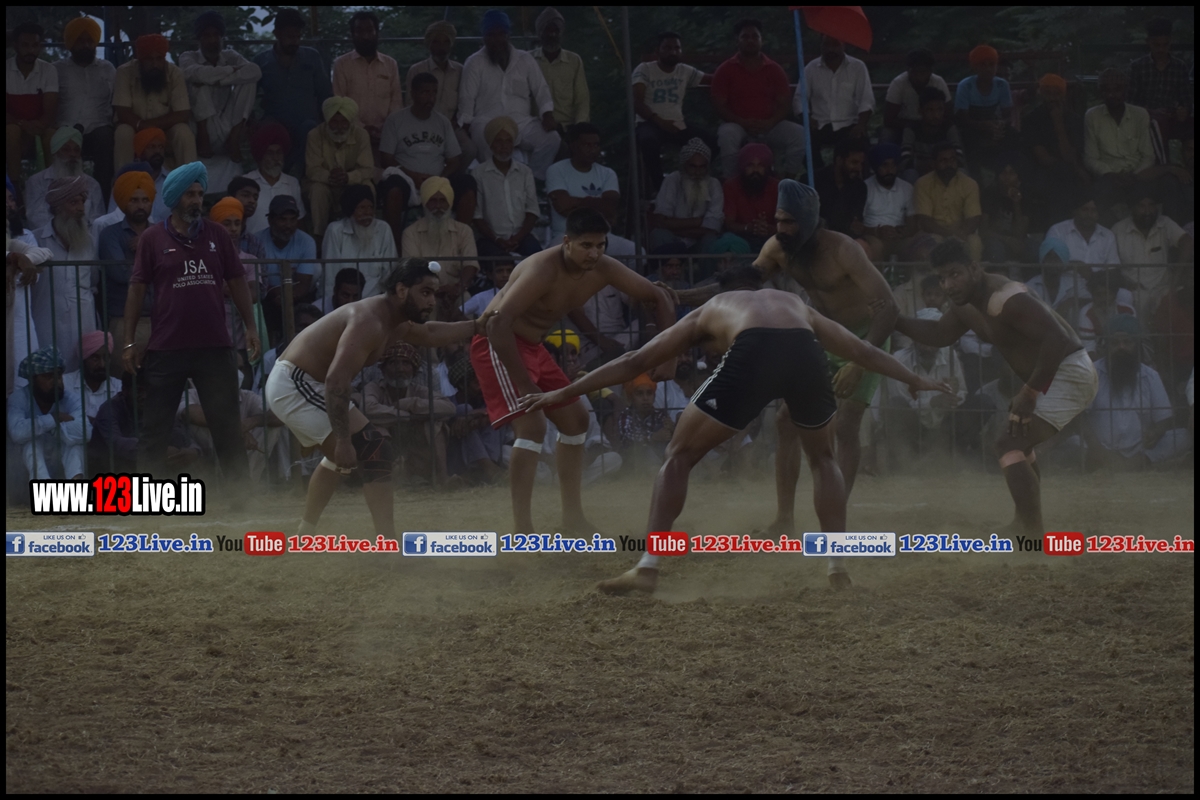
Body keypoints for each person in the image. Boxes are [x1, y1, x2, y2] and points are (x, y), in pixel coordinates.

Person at [522, 266, 946, 594]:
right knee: (823, 458)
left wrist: (564, 391)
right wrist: (915, 378)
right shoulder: (794, 303)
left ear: (724, 292)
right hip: (805, 352)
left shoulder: (713, 308)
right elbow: (861, 349)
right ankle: (838, 569)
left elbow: (635, 361)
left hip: (752, 350)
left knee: (679, 456)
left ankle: (648, 566)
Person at [673, 181, 900, 560]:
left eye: (790, 222)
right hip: (821, 333)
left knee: (846, 425)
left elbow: (888, 307)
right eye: (778, 220)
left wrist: (859, 363)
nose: (781, 228)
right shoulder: (777, 248)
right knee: (785, 422)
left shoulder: (844, 250)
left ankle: (835, 526)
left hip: (864, 337)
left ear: (809, 222)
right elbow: (739, 285)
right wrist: (678, 295)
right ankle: (784, 519)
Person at [469, 207, 676, 534]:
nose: (594, 253)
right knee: (532, 426)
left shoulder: (605, 267)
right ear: (567, 242)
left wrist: (669, 358)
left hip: (534, 347)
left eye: (600, 245)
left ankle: (572, 519)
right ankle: (522, 529)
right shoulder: (542, 269)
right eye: (586, 245)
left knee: (577, 421)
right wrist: (525, 385)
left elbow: (658, 296)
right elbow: (497, 324)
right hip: (499, 345)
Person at [265, 258, 492, 537]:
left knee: (349, 455)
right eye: (425, 292)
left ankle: (306, 532)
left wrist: (476, 326)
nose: (431, 301)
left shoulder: (394, 321)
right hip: (295, 383)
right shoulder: (369, 321)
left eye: (433, 293)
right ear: (401, 290)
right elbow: (336, 381)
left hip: (310, 383)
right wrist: (344, 440)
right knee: (372, 448)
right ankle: (387, 542)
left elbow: (430, 332)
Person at [894, 237, 1098, 535]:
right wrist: (895, 320)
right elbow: (939, 333)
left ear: (974, 268)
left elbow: (1058, 339)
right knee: (1017, 443)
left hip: (1068, 371)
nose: (948, 285)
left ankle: (1030, 530)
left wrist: (1029, 392)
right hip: (1050, 374)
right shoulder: (965, 304)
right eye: (942, 278)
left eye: (954, 274)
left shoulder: (1005, 298)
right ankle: (1027, 523)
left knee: (1008, 443)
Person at [120, 162, 260, 492]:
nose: (196, 200)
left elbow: (237, 280)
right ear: (174, 198)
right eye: (189, 194)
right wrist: (128, 340)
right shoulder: (153, 238)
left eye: (199, 193)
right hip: (167, 347)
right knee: (155, 428)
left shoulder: (217, 235)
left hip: (214, 346)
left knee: (226, 425)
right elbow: (137, 289)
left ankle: (241, 498)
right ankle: (146, 497)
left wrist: (251, 326)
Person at [458, 10, 559, 181]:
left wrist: (547, 114)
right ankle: (494, 182)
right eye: (491, 35)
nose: (496, 40)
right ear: (484, 38)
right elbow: (466, 98)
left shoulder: (525, 59)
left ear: (508, 36)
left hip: (521, 122)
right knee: (482, 139)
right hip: (486, 121)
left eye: (501, 34)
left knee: (551, 139)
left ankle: (532, 181)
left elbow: (541, 89)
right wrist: (465, 125)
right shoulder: (474, 62)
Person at [1084, 68, 1189, 224]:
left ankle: (1172, 232)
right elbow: (1091, 158)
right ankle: (1114, 234)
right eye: (1107, 90)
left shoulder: (1140, 114)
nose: (1112, 95)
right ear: (1101, 92)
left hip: (1139, 176)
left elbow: (1148, 156)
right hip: (1110, 178)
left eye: (1117, 90)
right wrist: (1111, 174)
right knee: (1094, 196)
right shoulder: (1092, 116)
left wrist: (1135, 175)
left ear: (1125, 91)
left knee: (1170, 184)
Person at [1085, 314, 1188, 467]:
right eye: (1115, 343)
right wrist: (1097, 448)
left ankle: (1136, 463)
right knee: (1074, 442)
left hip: (1140, 449)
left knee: (1183, 436)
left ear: (1137, 345)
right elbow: (1080, 418)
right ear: (1107, 346)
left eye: (1127, 342)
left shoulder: (1150, 376)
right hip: (1100, 447)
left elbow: (1164, 419)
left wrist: (1156, 433)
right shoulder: (1092, 373)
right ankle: (1128, 466)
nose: (1121, 347)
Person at [379, 71, 476, 228]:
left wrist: (440, 179)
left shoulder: (443, 122)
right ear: (413, 94)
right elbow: (386, 158)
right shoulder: (395, 120)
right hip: (406, 180)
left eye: (434, 93)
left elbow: (454, 160)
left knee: (467, 183)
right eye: (425, 92)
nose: (431, 98)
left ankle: (461, 237)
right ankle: (394, 241)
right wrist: (412, 176)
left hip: (439, 179)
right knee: (392, 187)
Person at [712, 19, 805, 180]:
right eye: (745, 37)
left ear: (762, 40)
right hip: (737, 124)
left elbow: (784, 104)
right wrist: (741, 121)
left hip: (770, 125)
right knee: (727, 135)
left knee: (799, 134)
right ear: (737, 41)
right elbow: (719, 105)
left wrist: (770, 122)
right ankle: (731, 184)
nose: (750, 40)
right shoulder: (725, 69)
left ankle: (787, 181)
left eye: (755, 36)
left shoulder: (774, 69)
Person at [179, 11, 261, 190]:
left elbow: (255, 71)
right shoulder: (188, 56)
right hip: (199, 128)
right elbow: (194, 73)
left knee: (249, 82)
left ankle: (234, 139)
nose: (212, 40)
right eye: (207, 35)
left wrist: (217, 79)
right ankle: (204, 138)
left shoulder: (230, 55)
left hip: (228, 124)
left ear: (222, 37)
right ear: (199, 38)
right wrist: (231, 71)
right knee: (198, 83)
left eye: (216, 35)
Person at [252, 8, 332, 171]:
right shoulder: (261, 61)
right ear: (277, 34)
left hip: (307, 124)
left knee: (310, 130)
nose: (294, 41)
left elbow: (325, 94)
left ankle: (301, 175)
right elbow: (248, 97)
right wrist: (253, 122)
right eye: (289, 36)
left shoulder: (312, 57)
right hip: (276, 123)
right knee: (271, 133)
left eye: (297, 36)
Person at [33, 175, 98, 372]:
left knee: (83, 376)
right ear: (57, 207)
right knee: (50, 377)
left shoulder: (89, 241)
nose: (80, 209)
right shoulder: (36, 240)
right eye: (73, 202)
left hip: (84, 322)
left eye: (82, 202)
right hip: (46, 323)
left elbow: (94, 280)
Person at [882, 307, 967, 459]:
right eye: (924, 335)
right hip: (914, 424)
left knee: (978, 404)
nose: (928, 342)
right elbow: (901, 401)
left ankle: (956, 457)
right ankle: (906, 459)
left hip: (944, 422)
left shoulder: (950, 355)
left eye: (934, 336)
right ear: (914, 337)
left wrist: (953, 397)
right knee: (896, 406)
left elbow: (962, 391)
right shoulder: (899, 360)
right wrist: (933, 402)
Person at [633, 31, 710, 190]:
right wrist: (660, 122)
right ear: (657, 51)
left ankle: (692, 182)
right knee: (648, 142)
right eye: (667, 48)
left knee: (712, 142)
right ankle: (659, 188)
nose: (673, 52)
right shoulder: (645, 69)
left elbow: (713, 79)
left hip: (677, 123)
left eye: (677, 48)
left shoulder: (685, 70)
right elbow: (637, 102)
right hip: (649, 122)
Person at [89, 369, 200, 475]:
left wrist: (194, 450)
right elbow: (117, 443)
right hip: (109, 473)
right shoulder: (109, 409)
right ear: (124, 390)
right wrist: (157, 451)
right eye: (139, 391)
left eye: (148, 390)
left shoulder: (156, 406)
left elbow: (178, 432)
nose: (144, 396)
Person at [54, 17, 116, 202]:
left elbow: (116, 102)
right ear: (71, 43)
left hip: (98, 130)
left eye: (90, 41)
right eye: (80, 41)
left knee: (106, 137)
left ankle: (102, 200)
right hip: (65, 129)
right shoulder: (57, 69)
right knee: (59, 139)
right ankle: (60, 199)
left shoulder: (107, 69)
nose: (86, 45)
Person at [113, 34, 197, 170]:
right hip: (135, 128)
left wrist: (150, 126)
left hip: (165, 130)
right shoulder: (124, 72)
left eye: (159, 59)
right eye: (149, 59)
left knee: (183, 132)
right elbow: (122, 111)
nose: (155, 64)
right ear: (139, 59)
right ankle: (124, 179)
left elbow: (182, 113)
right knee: (123, 132)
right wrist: (142, 126)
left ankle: (190, 179)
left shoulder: (175, 73)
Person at [97, 169, 156, 358]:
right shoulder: (110, 234)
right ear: (123, 203)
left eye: (145, 200)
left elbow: (173, 269)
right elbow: (121, 273)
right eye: (134, 200)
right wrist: (153, 253)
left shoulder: (161, 233)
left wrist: (146, 245)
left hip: (160, 320)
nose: (141, 206)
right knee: (123, 373)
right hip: (123, 320)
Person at [1112, 184, 1194, 318]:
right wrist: (1123, 282)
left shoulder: (1165, 223)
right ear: (1132, 208)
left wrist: (1177, 275)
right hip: (1132, 291)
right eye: (1141, 206)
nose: (1147, 211)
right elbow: (1110, 265)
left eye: (1151, 205)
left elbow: (1188, 242)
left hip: (1163, 289)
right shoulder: (1118, 230)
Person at [1021, 74, 1088, 228]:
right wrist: (1057, 123)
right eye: (1048, 93)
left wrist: (1059, 124)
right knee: (1061, 179)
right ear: (1041, 94)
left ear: (1063, 95)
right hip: (1040, 171)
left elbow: (1071, 155)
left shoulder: (1074, 119)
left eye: (1056, 93)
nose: (1052, 98)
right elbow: (1043, 159)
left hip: (1070, 169)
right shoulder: (1031, 119)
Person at [406, 21, 476, 169]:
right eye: (436, 42)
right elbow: (410, 103)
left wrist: (457, 121)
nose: (441, 47)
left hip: (452, 125)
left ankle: (454, 178)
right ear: (429, 45)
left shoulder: (460, 70)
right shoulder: (417, 70)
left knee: (469, 150)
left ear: (451, 45)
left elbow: (465, 100)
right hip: (423, 124)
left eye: (446, 42)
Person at [332, 11, 404, 153]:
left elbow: (396, 102)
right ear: (352, 34)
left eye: (369, 30)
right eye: (359, 31)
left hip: (386, 135)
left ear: (377, 33)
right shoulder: (341, 64)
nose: (365, 36)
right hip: (350, 135)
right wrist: (362, 129)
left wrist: (385, 130)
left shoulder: (390, 64)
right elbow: (339, 103)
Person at [8, 346, 85, 479]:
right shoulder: (19, 398)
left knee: (73, 443)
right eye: (48, 376)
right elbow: (17, 432)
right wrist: (54, 418)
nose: (56, 382)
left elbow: (86, 431)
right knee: (31, 443)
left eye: (58, 376)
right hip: (22, 469)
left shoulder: (69, 398)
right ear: (33, 379)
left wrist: (56, 430)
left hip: (59, 459)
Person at [471, 116, 542, 258]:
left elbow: (532, 210)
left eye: (508, 141)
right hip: (490, 239)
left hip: (521, 236)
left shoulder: (525, 172)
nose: (504, 146)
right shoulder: (478, 173)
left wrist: (517, 238)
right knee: (500, 262)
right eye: (499, 141)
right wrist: (497, 240)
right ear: (491, 144)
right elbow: (477, 216)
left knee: (538, 260)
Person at [401, 177, 479, 305]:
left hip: (456, 292)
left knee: (466, 302)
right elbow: (413, 269)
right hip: (424, 292)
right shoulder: (410, 233)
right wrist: (436, 290)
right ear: (425, 203)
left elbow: (470, 265)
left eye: (443, 201)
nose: (438, 206)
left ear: (450, 203)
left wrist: (457, 289)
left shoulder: (464, 231)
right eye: (433, 201)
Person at [305, 96, 375, 239]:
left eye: (344, 122)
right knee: (318, 190)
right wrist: (330, 177)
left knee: (368, 187)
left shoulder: (361, 135)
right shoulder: (314, 135)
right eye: (334, 122)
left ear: (350, 122)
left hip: (351, 184)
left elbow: (367, 169)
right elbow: (312, 169)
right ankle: (320, 236)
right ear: (327, 120)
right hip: (325, 184)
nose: (339, 127)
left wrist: (348, 177)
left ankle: (368, 232)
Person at [801, 35, 874, 167]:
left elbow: (866, 99)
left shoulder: (858, 67)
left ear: (843, 45)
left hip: (849, 124)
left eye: (835, 45)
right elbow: (799, 98)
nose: (830, 49)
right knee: (804, 145)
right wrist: (807, 118)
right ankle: (818, 177)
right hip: (819, 125)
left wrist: (861, 125)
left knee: (861, 148)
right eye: (826, 45)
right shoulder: (810, 68)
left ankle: (856, 177)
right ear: (821, 46)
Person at [321, 184, 397, 307]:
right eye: (361, 208)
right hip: (342, 304)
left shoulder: (383, 229)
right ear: (351, 209)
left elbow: (390, 272)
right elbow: (330, 275)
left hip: (374, 302)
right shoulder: (335, 230)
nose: (367, 213)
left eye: (370, 207)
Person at [546, 122, 622, 243]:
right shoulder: (556, 170)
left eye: (596, 145)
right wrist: (598, 205)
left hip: (603, 236)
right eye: (587, 145)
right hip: (567, 236)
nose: (593, 150)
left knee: (637, 251)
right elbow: (562, 206)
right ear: (573, 146)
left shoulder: (608, 173)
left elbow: (610, 208)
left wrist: (575, 201)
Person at [5, 21, 58, 188]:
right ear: (15, 45)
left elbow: (50, 112)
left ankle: (54, 187)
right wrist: (22, 125)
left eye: (35, 45)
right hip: (14, 126)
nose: (31, 50)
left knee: (52, 135)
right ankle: (14, 187)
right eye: (25, 45)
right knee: (11, 132)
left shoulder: (49, 70)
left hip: (39, 127)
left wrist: (37, 126)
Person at [648, 138, 723, 251]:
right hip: (674, 239)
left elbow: (712, 227)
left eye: (702, 167)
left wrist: (674, 225)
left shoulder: (713, 184)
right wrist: (698, 221)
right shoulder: (672, 180)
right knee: (659, 235)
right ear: (684, 166)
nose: (697, 172)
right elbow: (661, 221)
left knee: (711, 239)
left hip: (700, 241)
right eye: (693, 166)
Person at [23, 127, 105, 231]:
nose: (72, 154)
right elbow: (36, 219)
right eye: (66, 149)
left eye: (76, 150)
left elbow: (97, 221)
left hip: (85, 237)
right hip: (48, 238)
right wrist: (62, 234)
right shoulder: (37, 181)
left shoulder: (92, 184)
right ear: (55, 152)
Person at [259, 194, 318, 336]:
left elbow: (304, 283)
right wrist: (276, 295)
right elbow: (257, 281)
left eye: (293, 219)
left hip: (295, 296)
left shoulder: (306, 241)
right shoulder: (257, 241)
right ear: (270, 220)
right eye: (283, 219)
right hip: (267, 297)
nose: (288, 225)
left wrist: (286, 297)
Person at [914, 141, 983, 261]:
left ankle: (974, 273)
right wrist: (949, 235)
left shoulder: (970, 184)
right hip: (933, 233)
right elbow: (925, 220)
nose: (949, 164)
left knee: (975, 242)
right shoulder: (923, 183)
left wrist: (960, 234)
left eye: (952, 160)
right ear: (933, 163)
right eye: (943, 161)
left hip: (962, 233)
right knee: (932, 244)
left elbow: (973, 218)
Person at [1128, 18, 1192, 141]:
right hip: (1144, 120)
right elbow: (1130, 103)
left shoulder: (1180, 67)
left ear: (1170, 42)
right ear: (1148, 42)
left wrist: (1183, 111)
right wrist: (1152, 112)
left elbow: (1186, 101)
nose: (1161, 50)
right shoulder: (1137, 67)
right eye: (1156, 45)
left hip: (1172, 121)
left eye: (1165, 45)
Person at [954, 44, 1013, 171]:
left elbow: (1008, 115)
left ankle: (1006, 173)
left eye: (991, 64)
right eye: (983, 65)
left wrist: (1000, 125)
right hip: (970, 129)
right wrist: (984, 126)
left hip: (993, 127)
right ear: (974, 67)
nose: (988, 69)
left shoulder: (1002, 85)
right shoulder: (965, 86)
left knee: (1012, 137)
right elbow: (962, 119)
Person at [531, 8, 590, 131]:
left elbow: (582, 100)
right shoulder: (529, 60)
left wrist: (580, 128)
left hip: (568, 129)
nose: (552, 35)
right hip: (537, 129)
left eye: (555, 31)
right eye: (548, 31)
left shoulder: (574, 61)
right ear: (540, 33)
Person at [858, 142, 916, 261]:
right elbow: (857, 225)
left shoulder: (907, 188)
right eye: (884, 165)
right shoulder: (864, 188)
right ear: (876, 167)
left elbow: (912, 222)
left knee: (919, 245)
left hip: (899, 237)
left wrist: (903, 232)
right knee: (875, 247)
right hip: (872, 236)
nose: (889, 170)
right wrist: (877, 231)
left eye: (893, 165)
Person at [244, 124, 305, 234]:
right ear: (261, 155)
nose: (276, 158)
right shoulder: (246, 182)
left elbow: (299, 220)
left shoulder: (292, 183)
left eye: (279, 152)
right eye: (270, 153)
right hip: (251, 243)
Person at [882, 49, 951, 143]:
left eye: (923, 72)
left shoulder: (938, 82)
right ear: (908, 70)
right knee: (887, 135)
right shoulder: (898, 83)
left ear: (930, 71)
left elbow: (948, 114)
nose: (919, 77)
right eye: (914, 72)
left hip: (934, 126)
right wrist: (915, 126)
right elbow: (888, 119)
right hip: (904, 126)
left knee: (952, 131)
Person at [722, 142, 780, 251]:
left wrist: (769, 229)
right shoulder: (730, 186)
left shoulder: (777, 186)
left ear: (767, 168)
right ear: (743, 167)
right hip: (740, 238)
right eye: (750, 165)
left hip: (771, 238)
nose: (755, 170)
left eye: (761, 165)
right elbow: (729, 224)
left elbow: (785, 223)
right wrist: (749, 228)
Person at [900, 87, 964, 183]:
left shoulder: (949, 128)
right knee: (910, 174)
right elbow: (904, 159)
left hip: (946, 169)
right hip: (921, 172)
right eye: (930, 110)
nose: (936, 115)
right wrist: (922, 165)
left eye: (940, 110)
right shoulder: (912, 129)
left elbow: (959, 157)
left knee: (962, 173)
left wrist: (942, 164)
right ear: (920, 111)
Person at [980, 155, 1030, 263]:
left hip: (1017, 240)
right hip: (996, 240)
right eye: (1003, 173)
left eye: (1011, 173)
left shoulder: (1024, 196)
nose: (1007, 177)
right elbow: (983, 231)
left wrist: (1016, 203)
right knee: (996, 249)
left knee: (1034, 249)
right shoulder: (989, 194)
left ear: (1018, 177)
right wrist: (1007, 240)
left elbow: (1020, 233)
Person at [1046, 192, 1119, 265]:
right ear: (1075, 211)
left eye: (1094, 210)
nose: (1089, 214)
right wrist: (1075, 267)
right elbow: (1048, 264)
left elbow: (1113, 268)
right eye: (1084, 209)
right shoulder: (1057, 231)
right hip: (1067, 273)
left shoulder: (1108, 236)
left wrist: (1090, 272)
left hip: (1100, 273)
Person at [814, 137, 868, 237]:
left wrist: (857, 226)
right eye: (854, 162)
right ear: (839, 160)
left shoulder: (860, 187)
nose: (859, 168)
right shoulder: (814, 180)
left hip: (846, 238)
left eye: (861, 164)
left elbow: (854, 220)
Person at [1076, 269, 1137, 356]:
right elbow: (1089, 348)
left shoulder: (1128, 310)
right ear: (1092, 295)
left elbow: (1132, 341)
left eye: (1107, 294)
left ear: (1114, 294)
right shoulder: (1087, 313)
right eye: (1098, 295)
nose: (1103, 299)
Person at [63, 330, 119, 422]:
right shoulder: (65, 384)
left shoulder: (118, 388)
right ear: (84, 359)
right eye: (95, 358)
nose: (102, 364)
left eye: (106, 358)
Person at [225, 176, 266, 257]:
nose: (252, 201)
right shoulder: (212, 236)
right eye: (245, 195)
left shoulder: (255, 244)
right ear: (231, 197)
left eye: (255, 198)